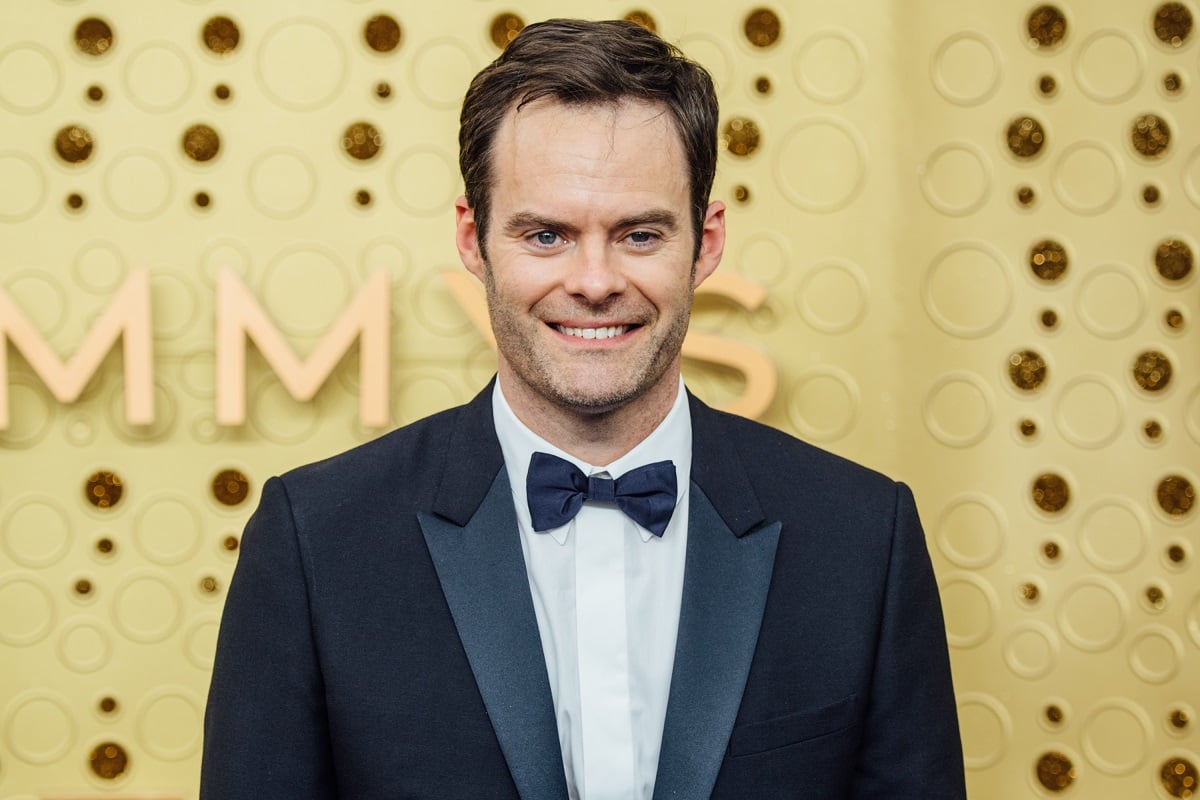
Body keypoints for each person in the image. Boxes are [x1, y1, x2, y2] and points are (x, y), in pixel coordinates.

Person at [200, 18, 965, 800]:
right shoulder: (314, 540)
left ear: (705, 242)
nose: (595, 280)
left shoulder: (866, 538)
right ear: (474, 238)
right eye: (546, 235)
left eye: (639, 234)